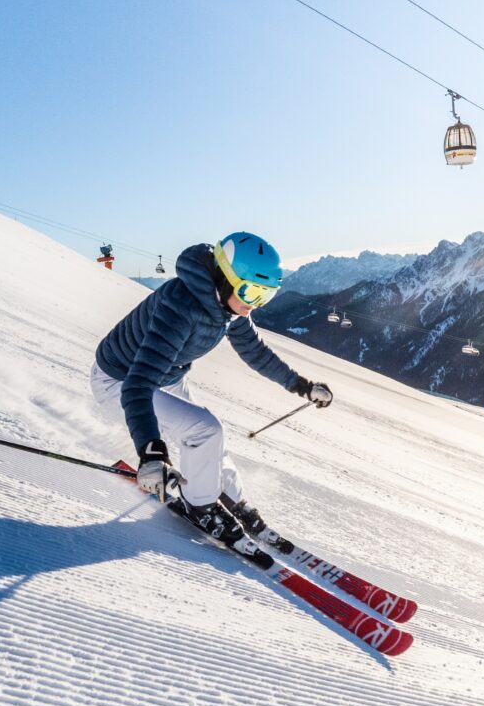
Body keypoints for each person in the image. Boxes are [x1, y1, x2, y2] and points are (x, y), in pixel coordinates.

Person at [90, 232, 332, 546]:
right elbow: (138, 384)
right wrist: (151, 453)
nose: (253, 304)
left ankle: (231, 499)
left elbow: (255, 351)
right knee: (205, 430)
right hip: (119, 382)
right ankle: (202, 506)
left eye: (264, 296)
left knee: (211, 444)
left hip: (165, 377)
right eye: (250, 292)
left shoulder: (228, 307)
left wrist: (301, 385)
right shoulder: (181, 307)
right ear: (225, 279)